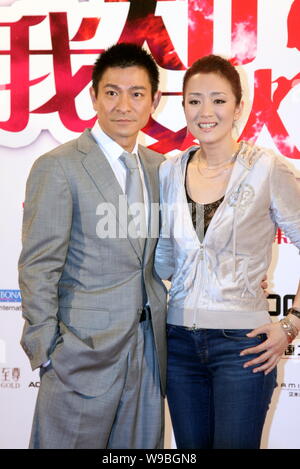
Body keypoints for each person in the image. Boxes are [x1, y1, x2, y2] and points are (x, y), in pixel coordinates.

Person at [18, 43, 167, 449]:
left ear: (153, 100)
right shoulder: (59, 166)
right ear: (94, 97)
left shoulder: (162, 168)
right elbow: (38, 265)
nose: (124, 105)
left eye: (136, 93)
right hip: (79, 355)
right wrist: (49, 350)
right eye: (112, 92)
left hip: (148, 355)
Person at [155, 54, 300, 449]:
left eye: (218, 100)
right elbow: (162, 260)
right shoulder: (168, 171)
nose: (206, 112)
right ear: (182, 105)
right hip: (179, 343)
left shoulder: (267, 168)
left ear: (239, 106)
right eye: (194, 100)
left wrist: (291, 323)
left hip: (244, 345)